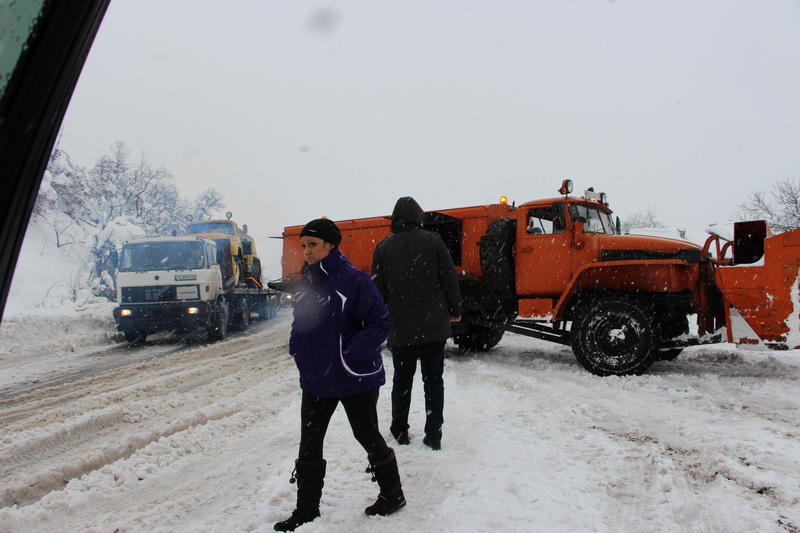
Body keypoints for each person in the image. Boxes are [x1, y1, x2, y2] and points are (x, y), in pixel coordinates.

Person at [274, 218, 405, 532]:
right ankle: (306, 511)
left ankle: (393, 494)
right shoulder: (306, 281)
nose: (306, 251)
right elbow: (301, 322)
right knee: (309, 442)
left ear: (330, 245)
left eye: (312, 245)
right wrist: (297, 347)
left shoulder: (354, 280)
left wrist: (350, 353)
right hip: (316, 378)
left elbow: (381, 323)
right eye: (303, 245)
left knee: (367, 436)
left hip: (352, 377)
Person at [371, 197, 462, 451]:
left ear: (395, 218)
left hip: (401, 327)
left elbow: (377, 290)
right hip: (433, 325)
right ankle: (434, 433)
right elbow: (449, 278)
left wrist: (380, 320)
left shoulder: (384, 247)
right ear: (418, 216)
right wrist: (455, 310)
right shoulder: (433, 241)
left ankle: (400, 430)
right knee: (434, 380)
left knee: (402, 379)